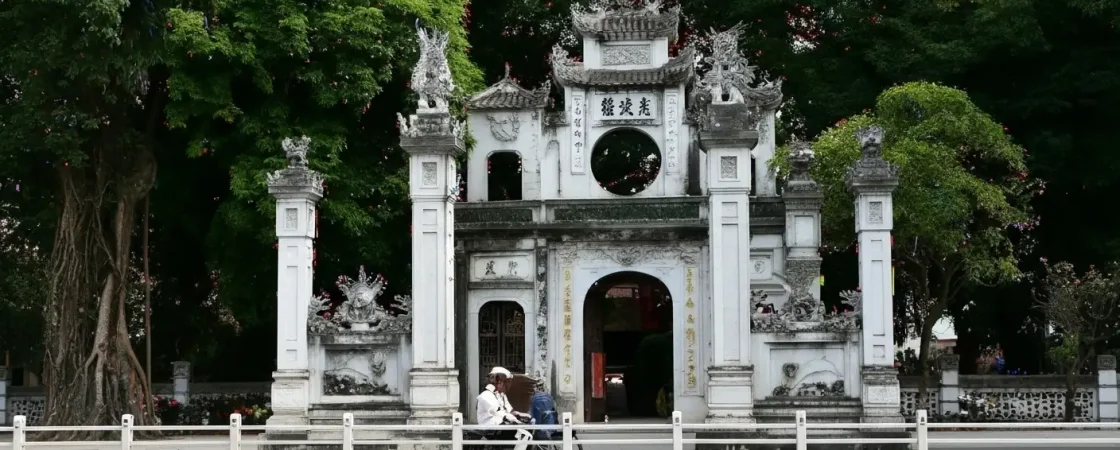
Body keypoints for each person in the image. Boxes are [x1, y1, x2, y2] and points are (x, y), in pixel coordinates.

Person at [476, 367, 531, 448]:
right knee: (520, 435)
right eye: (504, 382)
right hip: (490, 429)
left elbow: (509, 411)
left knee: (525, 433)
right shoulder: (485, 395)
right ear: (496, 381)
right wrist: (513, 419)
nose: (506, 385)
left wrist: (520, 415)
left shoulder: (501, 395)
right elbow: (498, 412)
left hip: (500, 426)